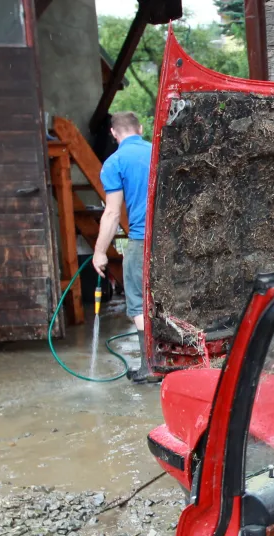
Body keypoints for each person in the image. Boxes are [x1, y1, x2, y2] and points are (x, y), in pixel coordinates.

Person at [93, 111, 156, 383]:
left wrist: (98, 252)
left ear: (113, 133)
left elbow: (112, 213)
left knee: (140, 305)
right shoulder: (158, 152)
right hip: (171, 241)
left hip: (141, 241)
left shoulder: (114, 162)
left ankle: (151, 367)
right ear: (140, 128)